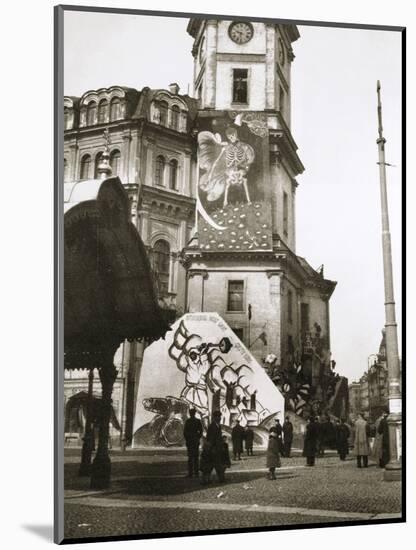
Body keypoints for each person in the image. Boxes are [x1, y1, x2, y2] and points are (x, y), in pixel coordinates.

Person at [206, 410, 226, 482]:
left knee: (216, 464)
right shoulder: (212, 426)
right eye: (218, 416)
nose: (219, 418)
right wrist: (211, 447)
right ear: (214, 417)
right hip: (213, 448)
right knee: (212, 464)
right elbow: (210, 438)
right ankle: (207, 479)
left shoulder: (218, 426)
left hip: (218, 448)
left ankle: (220, 478)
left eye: (220, 416)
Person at [183, 408, 203, 477]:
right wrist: (197, 438)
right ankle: (196, 473)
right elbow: (201, 431)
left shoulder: (188, 421)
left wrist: (187, 439)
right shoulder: (198, 421)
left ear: (190, 413)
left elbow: (185, 432)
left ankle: (190, 473)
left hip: (190, 441)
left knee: (190, 458)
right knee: (196, 457)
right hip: (195, 441)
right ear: (195, 413)